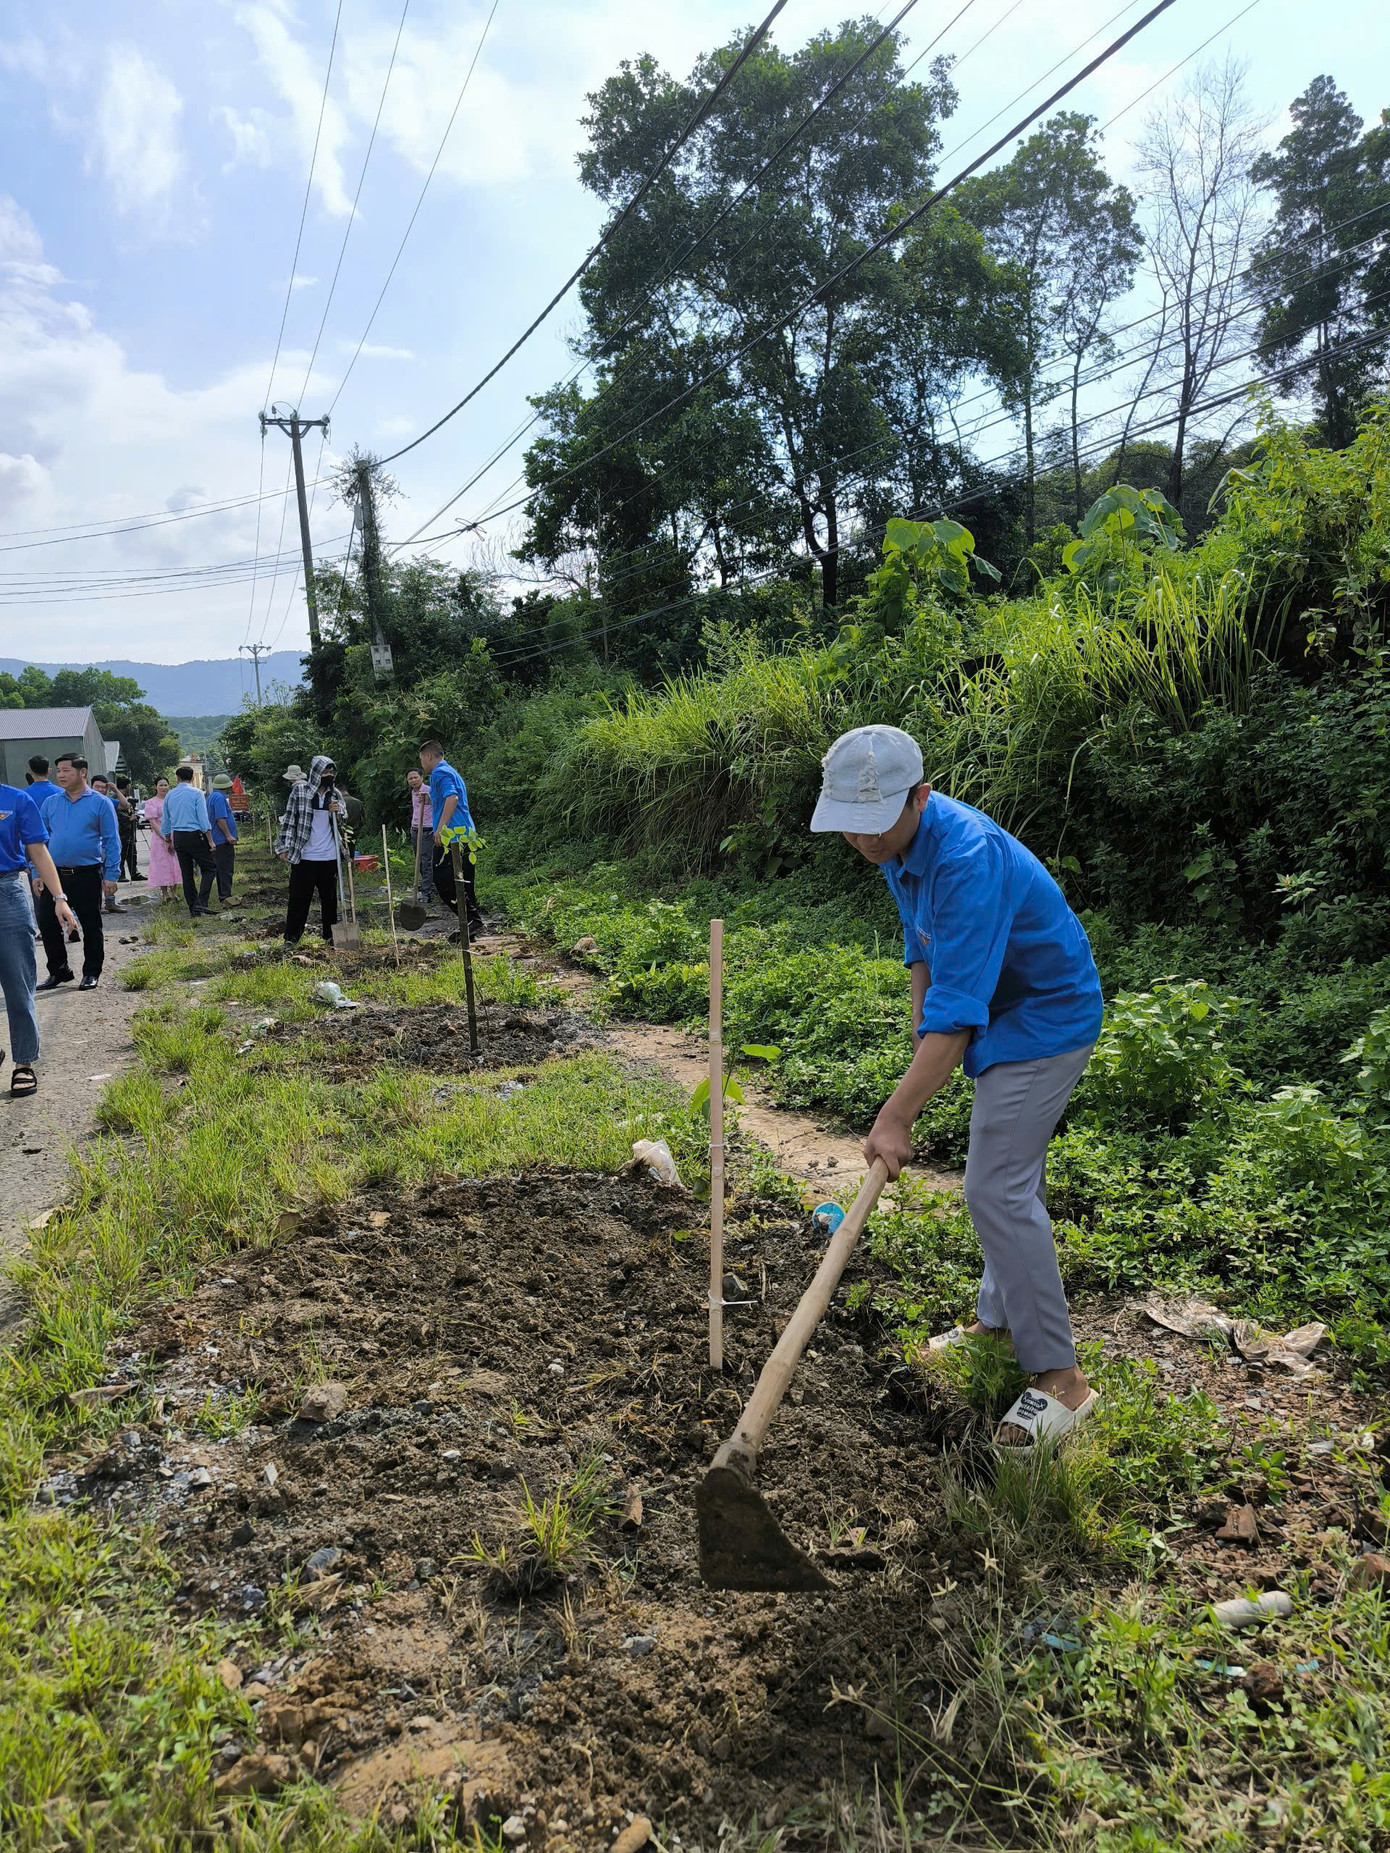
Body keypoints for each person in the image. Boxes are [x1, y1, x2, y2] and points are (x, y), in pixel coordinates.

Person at [810, 724, 1104, 1452]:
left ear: (922, 794)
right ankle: (996, 1328)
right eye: (852, 827)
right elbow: (923, 945)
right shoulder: (896, 843)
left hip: (1046, 1015)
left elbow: (959, 1019)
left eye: (875, 825)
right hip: (1002, 1011)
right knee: (1006, 1176)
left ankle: (1063, 1379)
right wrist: (921, 1038)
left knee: (995, 1186)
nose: (864, 842)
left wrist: (897, 1113)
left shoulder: (965, 856)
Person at [0, 780, 78, 1096]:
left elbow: (37, 850)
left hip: (6, 893)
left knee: (18, 985)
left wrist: (59, 897)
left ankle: (23, 1064)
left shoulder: (16, 800)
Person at [36, 752, 120, 991]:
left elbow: (111, 840)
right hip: (55, 875)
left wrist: (112, 874)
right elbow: (39, 842)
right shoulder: (51, 802)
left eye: (67, 771)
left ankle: (91, 972)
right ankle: (59, 971)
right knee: (47, 922)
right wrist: (36, 871)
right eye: (59, 771)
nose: (61, 775)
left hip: (87, 874)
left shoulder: (100, 802)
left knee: (91, 924)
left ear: (82, 773)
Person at [276, 754, 344, 945]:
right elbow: (289, 820)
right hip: (304, 855)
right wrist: (284, 846)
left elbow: (344, 820)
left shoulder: (335, 794)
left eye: (331, 771)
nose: (328, 774)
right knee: (298, 900)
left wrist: (338, 811)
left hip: (329, 856)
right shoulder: (300, 792)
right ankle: (291, 938)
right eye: (325, 771)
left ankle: (330, 937)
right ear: (315, 772)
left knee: (330, 901)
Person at [418, 740, 484, 939]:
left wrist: (441, 829)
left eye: (421, 760)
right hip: (465, 834)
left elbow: (452, 798)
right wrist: (430, 799)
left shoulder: (439, 773)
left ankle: (473, 920)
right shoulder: (450, 771)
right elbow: (449, 797)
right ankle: (470, 927)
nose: (421, 764)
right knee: (464, 882)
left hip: (453, 837)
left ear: (429, 756)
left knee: (443, 880)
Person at [162, 765, 217, 919]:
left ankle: (193, 907)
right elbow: (203, 820)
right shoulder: (197, 793)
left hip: (178, 836)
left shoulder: (170, 795)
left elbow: (166, 820)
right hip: (195, 836)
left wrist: (167, 838)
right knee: (210, 868)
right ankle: (201, 903)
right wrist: (210, 840)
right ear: (192, 778)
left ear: (177, 778)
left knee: (187, 874)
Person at [143, 776, 182, 902]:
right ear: (155, 787)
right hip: (160, 838)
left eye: (166, 785)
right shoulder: (151, 802)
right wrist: (165, 838)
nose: (164, 787)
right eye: (161, 785)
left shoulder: (173, 800)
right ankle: (165, 894)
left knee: (175, 863)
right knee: (162, 865)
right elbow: (153, 823)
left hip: (174, 834)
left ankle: (174, 893)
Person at [207, 774, 239, 904]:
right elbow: (220, 819)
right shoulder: (219, 798)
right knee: (226, 869)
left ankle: (223, 896)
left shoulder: (212, 796)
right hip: (222, 840)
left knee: (221, 869)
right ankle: (226, 896)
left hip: (216, 839)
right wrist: (228, 835)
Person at [406, 768, 435, 903]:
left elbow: (439, 804)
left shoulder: (429, 790)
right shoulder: (413, 792)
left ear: (421, 778)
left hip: (427, 828)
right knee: (418, 860)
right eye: (410, 779)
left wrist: (428, 799)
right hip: (415, 828)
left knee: (425, 860)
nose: (413, 781)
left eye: (415, 777)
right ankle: (428, 885)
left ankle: (426, 893)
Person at [114, 776, 142, 882]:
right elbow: (116, 812)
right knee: (121, 853)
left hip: (129, 830)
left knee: (132, 852)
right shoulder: (117, 798)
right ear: (128, 785)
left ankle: (134, 873)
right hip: (121, 831)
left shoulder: (126, 797)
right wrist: (129, 818)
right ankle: (121, 875)